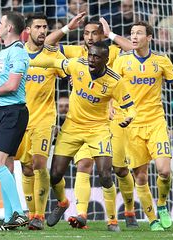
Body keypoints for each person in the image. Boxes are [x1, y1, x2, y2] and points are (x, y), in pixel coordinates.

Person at [29, 41, 136, 232]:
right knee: (54, 176)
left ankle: (112, 221)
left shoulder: (114, 81)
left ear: (106, 59)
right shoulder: (78, 65)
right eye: (90, 55)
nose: (92, 59)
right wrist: (27, 61)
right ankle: (62, 203)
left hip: (98, 130)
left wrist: (129, 117)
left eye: (97, 57)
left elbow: (130, 106)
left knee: (105, 175)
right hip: (72, 127)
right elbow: (53, 63)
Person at [112, 21, 173, 231]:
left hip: (156, 122)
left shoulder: (161, 60)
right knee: (140, 176)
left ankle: (162, 204)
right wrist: (111, 107)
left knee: (164, 170)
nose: (133, 36)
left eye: (138, 33)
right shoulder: (122, 61)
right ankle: (152, 220)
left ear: (149, 37)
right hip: (131, 125)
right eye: (131, 33)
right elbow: (110, 86)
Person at [12, 13, 66, 231]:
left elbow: (71, 72)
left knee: (38, 163)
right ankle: (32, 213)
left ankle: (39, 216)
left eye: (45, 27)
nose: (42, 31)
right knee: (25, 168)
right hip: (21, 118)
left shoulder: (53, 55)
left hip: (45, 119)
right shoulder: (16, 54)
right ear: (28, 29)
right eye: (38, 27)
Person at [0, 11, 30, 231]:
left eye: (0, 24)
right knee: (6, 166)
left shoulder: (18, 52)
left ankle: (20, 212)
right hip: (1, 112)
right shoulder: (6, 50)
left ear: (9, 28)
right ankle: (10, 217)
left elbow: (11, 85)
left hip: (12, 112)